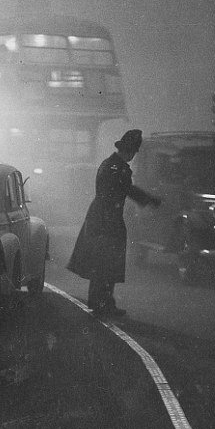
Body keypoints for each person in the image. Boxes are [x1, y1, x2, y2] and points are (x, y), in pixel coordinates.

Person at [67, 129, 161, 317]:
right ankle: (101, 302)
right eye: (133, 151)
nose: (133, 155)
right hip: (106, 219)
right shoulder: (116, 168)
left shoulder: (111, 165)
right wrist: (149, 199)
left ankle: (102, 302)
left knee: (104, 262)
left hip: (104, 218)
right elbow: (126, 189)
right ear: (129, 150)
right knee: (105, 262)